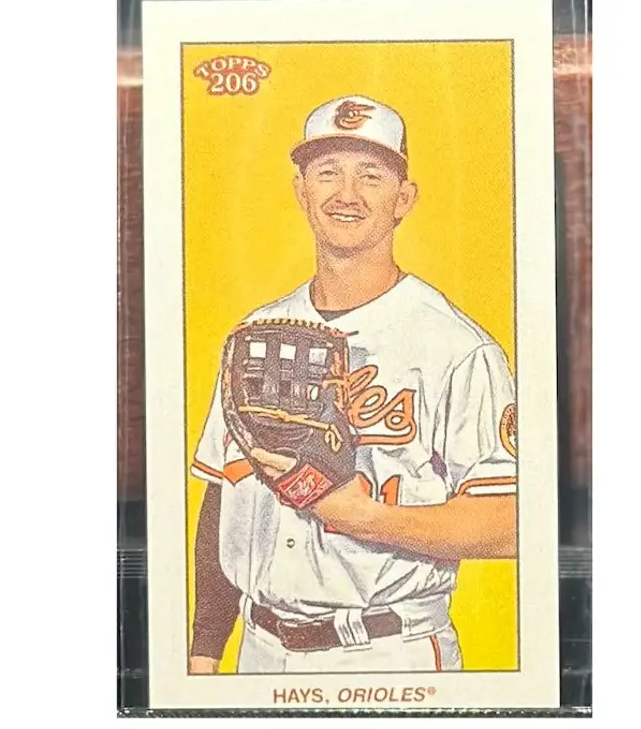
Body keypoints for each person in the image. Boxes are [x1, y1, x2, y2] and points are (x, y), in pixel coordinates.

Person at [188, 95, 518, 674]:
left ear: (403, 199)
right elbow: (223, 496)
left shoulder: (457, 347)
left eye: (371, 175)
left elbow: (512, 524)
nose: (347, 193)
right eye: (327, 172)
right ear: (301, 191)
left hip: (391, 651)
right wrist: (205, 649)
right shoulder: (254, 338)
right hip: (259, 652)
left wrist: (363, 517)